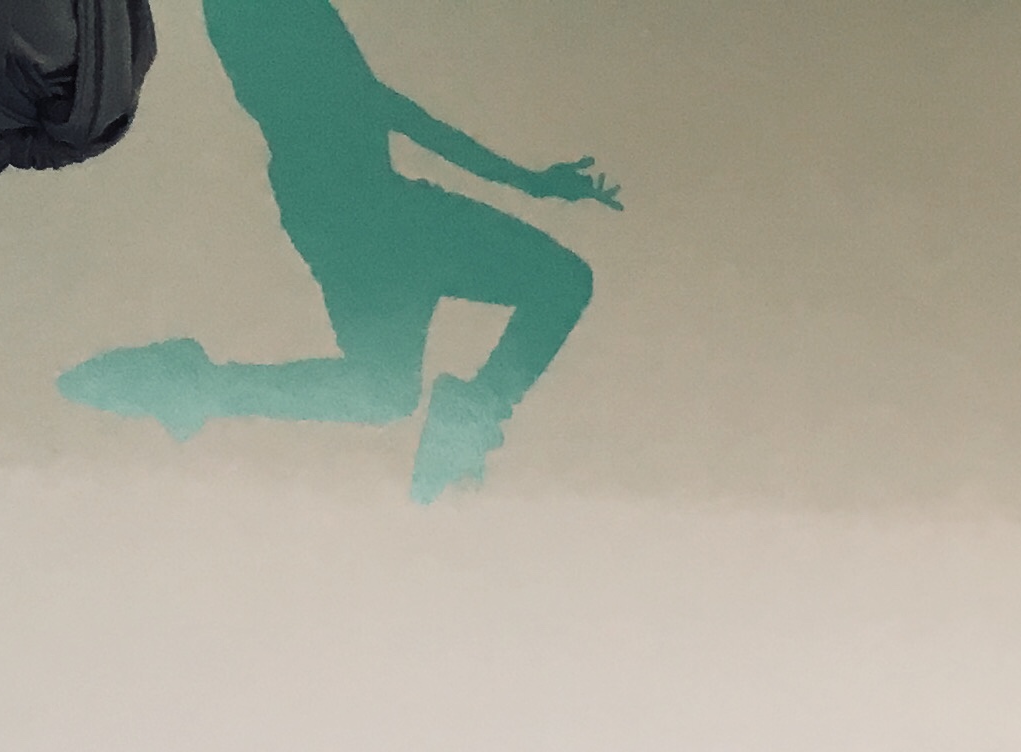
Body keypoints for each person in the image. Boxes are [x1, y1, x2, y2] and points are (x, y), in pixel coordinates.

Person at [53, 0, 619, 501]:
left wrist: (528, 180)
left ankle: (202, 386)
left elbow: (371, 103)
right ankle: (471, 411)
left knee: (383, 389)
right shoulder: (262, 13)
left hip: (341, 219)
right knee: (561, 282)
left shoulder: (250, 16)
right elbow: (370, 102)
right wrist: (526, 181)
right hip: (371, 212)